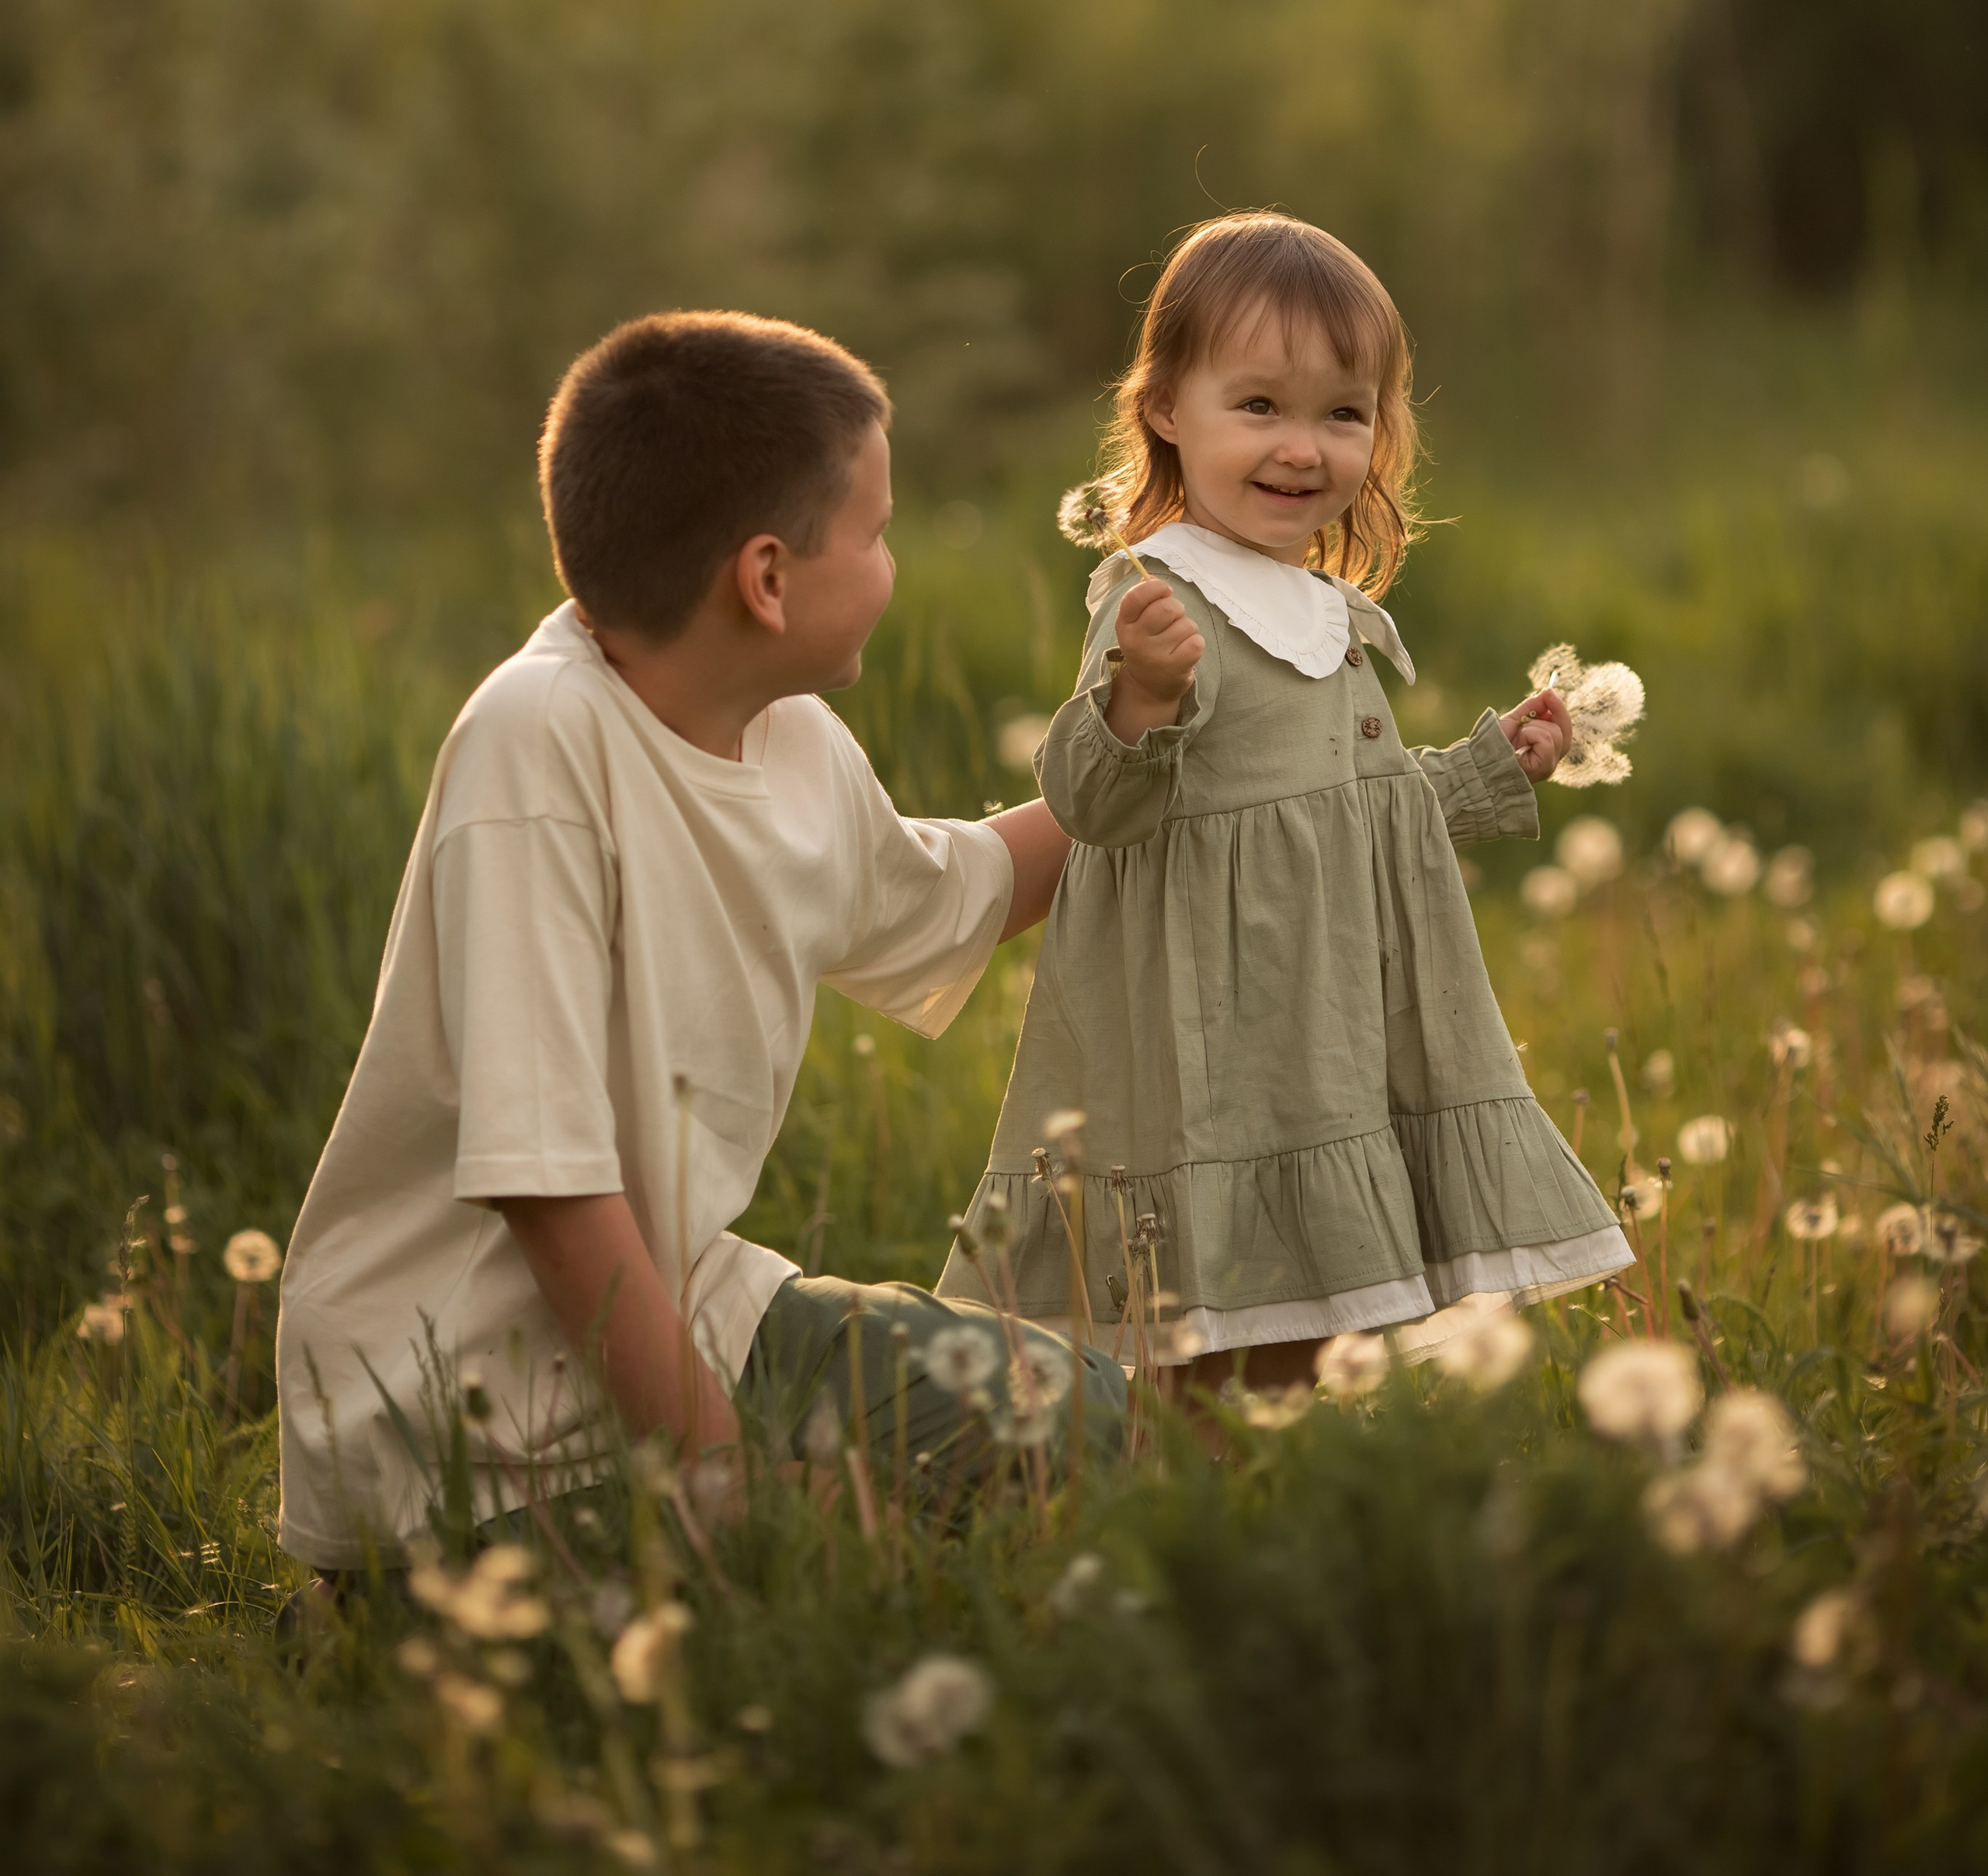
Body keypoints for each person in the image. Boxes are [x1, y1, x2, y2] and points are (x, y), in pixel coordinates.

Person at [276, 310, 1121, 1576]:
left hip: (683, 1307)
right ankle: (379, 1604)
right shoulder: (537, 746)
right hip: (465, 1417)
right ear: (767, 579)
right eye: (876, 533)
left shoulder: (785, 733)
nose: (892, 565)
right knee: (785, 1600)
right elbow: (550, 1191)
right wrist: (738, 1491)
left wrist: (1136, 753)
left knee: (1082, 1422)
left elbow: (953, 892)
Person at [937, 212, 1632, 1391]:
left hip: (1326, 1032)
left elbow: (1353, 812)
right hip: (1217, 1042)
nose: (1302, 448)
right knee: (1212, 1311)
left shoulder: (1324, 611)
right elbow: (1095, 810)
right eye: (1258, 405)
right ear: (1168, 407)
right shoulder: (1162, 599)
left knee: (1314, 1320)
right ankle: (1183, 1480)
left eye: (1342, 414)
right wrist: (1137, 700)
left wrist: (1488, 769)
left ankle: (1264, 1482)